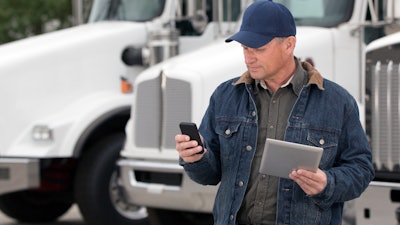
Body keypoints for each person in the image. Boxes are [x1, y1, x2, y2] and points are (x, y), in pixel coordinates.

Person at [175, 0, 375, 224]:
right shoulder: (225, 96)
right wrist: (196, 157)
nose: (249, 57)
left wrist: (328, 183)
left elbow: (361, 170)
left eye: (259, 49)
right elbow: (209, 175)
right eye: (245, 48)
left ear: (289, 45)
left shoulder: (337, 102)